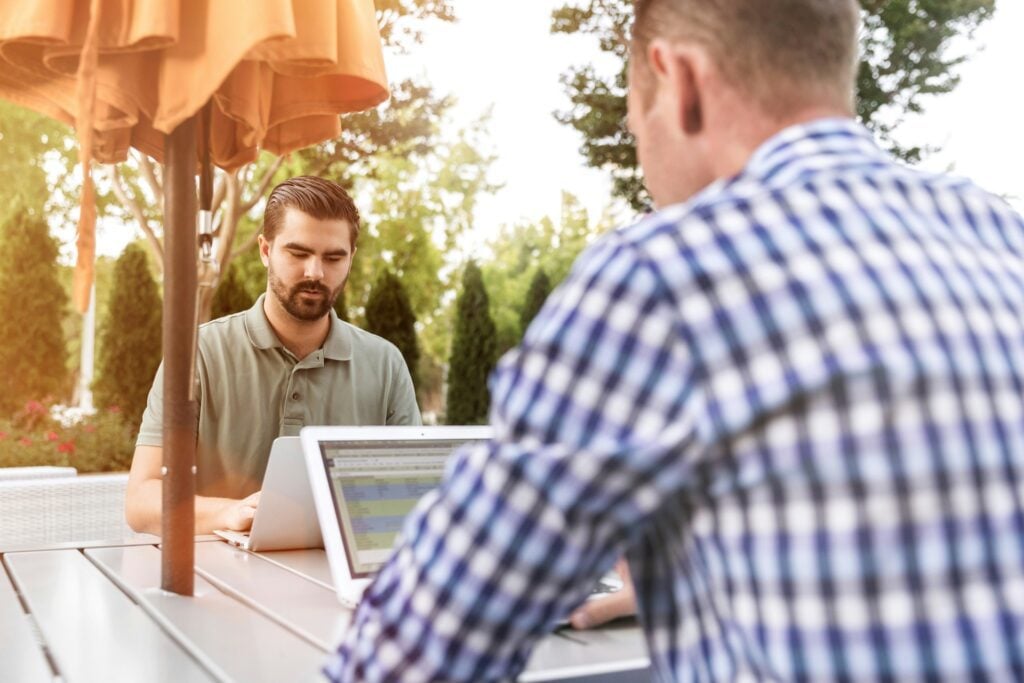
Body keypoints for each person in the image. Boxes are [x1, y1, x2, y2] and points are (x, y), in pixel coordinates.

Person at [328, 0, 1024, 680]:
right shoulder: (999, 234)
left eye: (637, 115)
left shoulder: (662, 273)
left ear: (679, 79)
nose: (639, 142)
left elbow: (421, 646)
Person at [125, 176, 420, 536]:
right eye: (298, 253)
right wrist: (231, 513)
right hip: (220, 578)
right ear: (265, 251)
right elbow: (140, 501)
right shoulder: (197, 354)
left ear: (351, 258)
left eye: (334, 257)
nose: (315, 272)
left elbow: (412, 495)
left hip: (338, 578)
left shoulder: (386, 364)